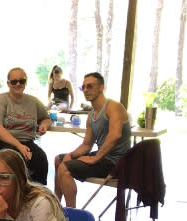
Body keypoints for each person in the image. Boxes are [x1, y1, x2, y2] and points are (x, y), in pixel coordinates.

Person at [53, 72, 132, 208]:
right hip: (103, 158)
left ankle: (72, 214)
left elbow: (115, 135)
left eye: (90, 86)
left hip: (117, 163)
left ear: (101, 87)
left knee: (65, 168)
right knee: (59, 160)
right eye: (83, 87)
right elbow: (86, 145)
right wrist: (70, 155)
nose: (86, 90)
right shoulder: (91, 115)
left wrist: (95, 158)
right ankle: (56, 207)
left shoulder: (113, 107)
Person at [0, 67, 52, 185]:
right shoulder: (0, 100)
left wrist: (44, 125)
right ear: (8, 83)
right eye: (14, 81)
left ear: (26, 82)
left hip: (25, 143)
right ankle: (14, 198)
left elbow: (46, 118)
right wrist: (19, 146)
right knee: (15, 159)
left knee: (40, 158)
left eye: (21, 81)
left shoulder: (33, 101)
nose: (18, 84)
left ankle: (36, 196)